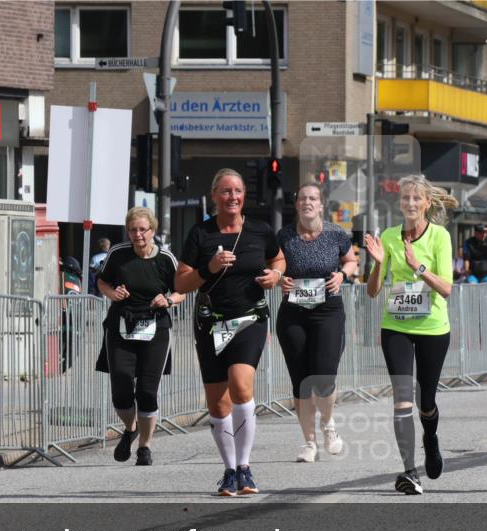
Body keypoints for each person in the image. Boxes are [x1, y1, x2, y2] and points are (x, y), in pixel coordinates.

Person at [175, 168, 285, 496]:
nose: (233, 197)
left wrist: (276, 276)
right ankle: (229, 470)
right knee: (218, 405)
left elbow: (278, 259)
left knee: (240, 385)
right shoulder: (200, 234)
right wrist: (208, 268)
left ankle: (245, 467)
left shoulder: (260, 230)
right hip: (210, 322)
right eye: (225, 191)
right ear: (214, 196)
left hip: (249, 319)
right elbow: (181, 282)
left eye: (237, 191)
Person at [363, 174, 455, 495]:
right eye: (405, 199)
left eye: (417, 198)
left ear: (427, 203)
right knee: (402, 400)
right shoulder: (388, 236)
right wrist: (376, 265)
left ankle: (431, 440)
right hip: (396, 327)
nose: (411, 204)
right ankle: (409, 471)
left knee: (424, 401)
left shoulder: (440, 236)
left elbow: (447, 289)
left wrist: (418, 268)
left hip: (432, 328)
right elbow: (373, 292)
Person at [277, 182, 359, 463]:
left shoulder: (335, 233)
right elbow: (274, 267)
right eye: (303, 198)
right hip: (293, 313)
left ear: (321, 205)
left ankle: (329, 425)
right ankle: (309, 442)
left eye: (313, 198)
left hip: (327, 311)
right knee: (300, 380)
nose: (308, 203)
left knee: (324, 377)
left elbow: (351, 261)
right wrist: (279, 279)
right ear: (296, 204)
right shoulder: (284, 236)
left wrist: (343, 275)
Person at [96, 207, 183, 466]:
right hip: (121, 326)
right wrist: (113, 294)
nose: (137, 234)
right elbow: (101, 282)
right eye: (133, 230)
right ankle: (131, 426)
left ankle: (144, 446)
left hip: (156, 329)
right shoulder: (118, 254)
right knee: (121, 387)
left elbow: (183, 291)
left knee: (147, 391)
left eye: (142, 229)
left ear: (152, 231)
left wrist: (167, 299)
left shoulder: (166, 259)